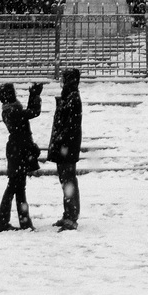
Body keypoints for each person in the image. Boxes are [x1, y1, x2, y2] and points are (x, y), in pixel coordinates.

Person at [0, 81, 43, 232]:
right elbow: (33, 112)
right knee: (15, 187)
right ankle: (8, 222)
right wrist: (34, 95)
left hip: (17, 150)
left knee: (17, 187)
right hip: (18, 151)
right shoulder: (13, 111)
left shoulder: (11, 110)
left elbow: (29, 113)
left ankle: (22, 221)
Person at [47, 68, 83, 232]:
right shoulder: (69, 96)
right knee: (66, 181)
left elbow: (69, 125)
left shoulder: (73, 98)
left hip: (67, 147)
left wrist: (61, 142)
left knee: (68, 181)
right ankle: (68, 214)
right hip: (65, 146)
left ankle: (71, 216)